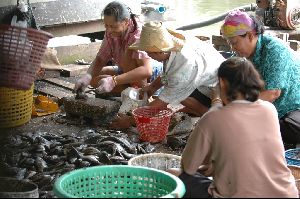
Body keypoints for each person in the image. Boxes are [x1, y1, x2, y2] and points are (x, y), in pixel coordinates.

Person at [168, 57, 298, 198]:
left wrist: (216, 100)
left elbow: (188, 167)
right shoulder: (269, 109)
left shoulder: (212, 118)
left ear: (222, 84)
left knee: (173, 174)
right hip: (286, 193)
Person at [110, 21, 225, 129]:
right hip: (207, 77)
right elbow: (169, 73)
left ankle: (208, 114)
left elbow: (161, 103)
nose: (148, 55)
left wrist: (129, 121)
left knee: (180, 96)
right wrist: (152, 87)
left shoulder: (183, 66)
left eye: (149, 53)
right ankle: (195, 108)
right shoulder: (175, 43)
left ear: (160, 52)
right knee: (176, 93)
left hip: (219, 92)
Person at [220, 10, 300, 148]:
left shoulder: (275, 49)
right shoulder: (243, 55)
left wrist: (237, 110)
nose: (233, 48)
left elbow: (273, 93)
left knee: (285, 128)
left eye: (234, 42)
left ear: (250, 36)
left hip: (293, 108)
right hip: (268, 109)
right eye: (230, 44)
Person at [74, 1, 162, 95]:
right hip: (125, 69)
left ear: (126, 22)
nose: (109, 30)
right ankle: (131, 90)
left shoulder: (138, 34)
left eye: (113, 26)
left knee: (128, 53)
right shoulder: (110, 31)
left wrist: (113, 81)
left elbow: (146, 70)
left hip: (152, 75)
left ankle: (141, 92)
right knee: (94, 78)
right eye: (106, 25)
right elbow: (100, 58)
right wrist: (88, 76)